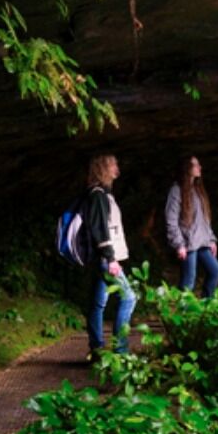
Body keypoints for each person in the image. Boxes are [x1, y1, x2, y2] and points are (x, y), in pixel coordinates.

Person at [81, 153, 135, 359]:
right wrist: (111, 258)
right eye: (113, 165)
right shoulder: (97, 195)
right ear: (103, 168)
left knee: (97, 303)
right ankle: (120, 350)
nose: (117, 169)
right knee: (129, 297)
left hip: (102, 258)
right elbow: (99, 229)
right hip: (105, 259)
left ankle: (96, 349)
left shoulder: (102, 194)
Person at [165, 154, 218, 298]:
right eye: (196, 165)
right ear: (187, 168)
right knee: (188, 281)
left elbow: (204, 220)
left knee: (215, 271)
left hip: (202, 242)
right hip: (188, 244)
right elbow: (171, 219)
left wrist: (211, 240)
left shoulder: (198, 190)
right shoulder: (177, 190)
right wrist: (179, 244)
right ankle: (182, 314)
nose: (199, 167)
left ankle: (205, 305)